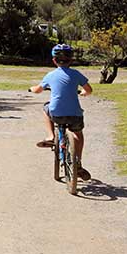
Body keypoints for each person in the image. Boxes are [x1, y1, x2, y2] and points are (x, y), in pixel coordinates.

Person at [29, 43, 94, 181]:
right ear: (72, 60)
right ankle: (78, 162)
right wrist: (82, 93)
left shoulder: (50, 75)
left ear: (54, 60)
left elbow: (38, 89)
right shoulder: (76, 74)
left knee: (46, 108)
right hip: (75, 115)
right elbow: (89, 90)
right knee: (78, 135)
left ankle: (50, 136)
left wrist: (31, 88)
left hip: (57, 114)